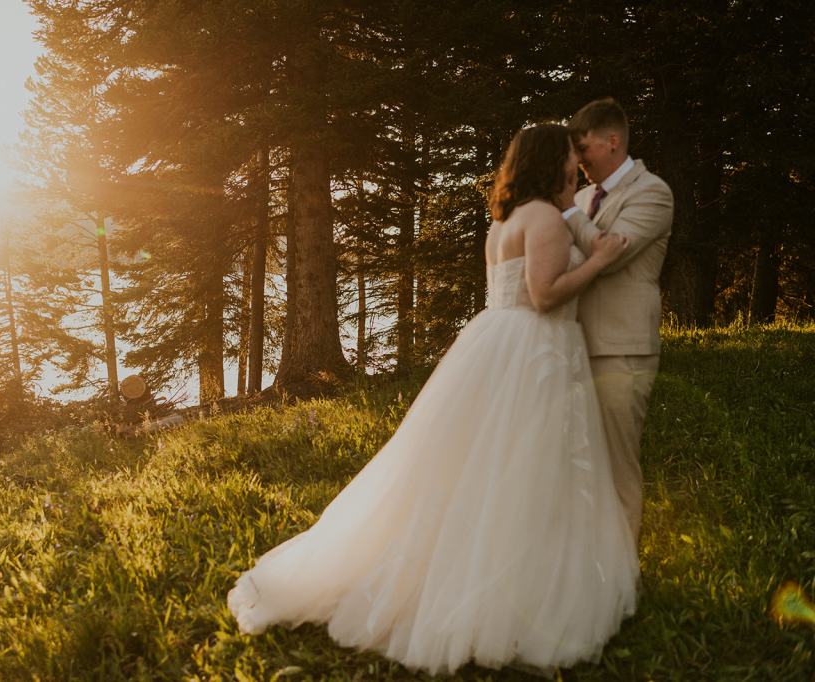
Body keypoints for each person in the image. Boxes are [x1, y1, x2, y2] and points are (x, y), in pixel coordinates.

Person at [227, 124, 640, 676]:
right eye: (569, 155)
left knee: (479, 466)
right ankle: (514, 590)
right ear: (550, 161)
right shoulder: (543, 217)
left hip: (499, 341)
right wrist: (599, 262)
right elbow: (544, 296)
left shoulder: (507, 220)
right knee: (528, 466)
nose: (576, 164)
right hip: (534, 348)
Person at [562, 98, 674, 544]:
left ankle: (623, 569)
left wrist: (567, 211)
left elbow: (611, 254)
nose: (578, 159)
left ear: (612, 141)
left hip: (621, 348)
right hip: (571, 345)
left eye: (583, 147)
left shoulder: (652, 192)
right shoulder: (581, 198)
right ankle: (586, 563)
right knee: (579, 466)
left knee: (616, 466)